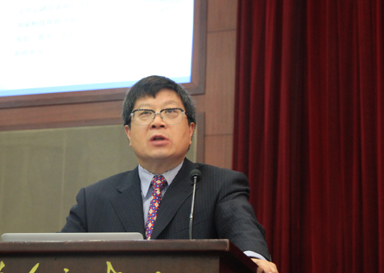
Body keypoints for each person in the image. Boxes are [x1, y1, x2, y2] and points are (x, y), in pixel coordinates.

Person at [61, 75, 279, 273]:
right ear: (128, 133)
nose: (157, 122)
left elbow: (242, 229)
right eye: (145, 113)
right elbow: (56, 258)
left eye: (170, 112)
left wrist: (254, 260)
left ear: (190, 130)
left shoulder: (220, 186)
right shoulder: (94, 199)